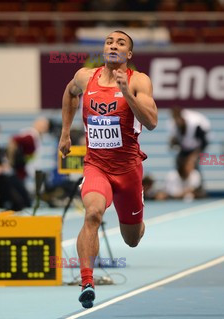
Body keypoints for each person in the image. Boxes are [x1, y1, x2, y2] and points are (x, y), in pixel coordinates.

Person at [58, 30, 157, 308]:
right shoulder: (84, 77)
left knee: (132, 240)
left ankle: (138, 211)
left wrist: (127, 92)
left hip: (128, 170)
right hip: (96, 166)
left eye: (120, 43)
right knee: (92, 214)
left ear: (129, 55)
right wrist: (65, 133)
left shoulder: (139, 81)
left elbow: (151, 121)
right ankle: (87, 281)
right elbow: (69, 93)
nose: (113, 45)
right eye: (109, 42)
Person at [167, 107, 210, 185]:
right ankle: (180, 186)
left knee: (193, 166)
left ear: (181, 117)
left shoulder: (195, 124)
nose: (177, 122)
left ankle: (197, 188)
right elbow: (175, 140)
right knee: (179, 163)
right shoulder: (173, 124)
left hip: (197, 147)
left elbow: (204, 142)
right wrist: (173, 142)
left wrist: (194, 156)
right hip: (185, 148)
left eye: (178, 120)